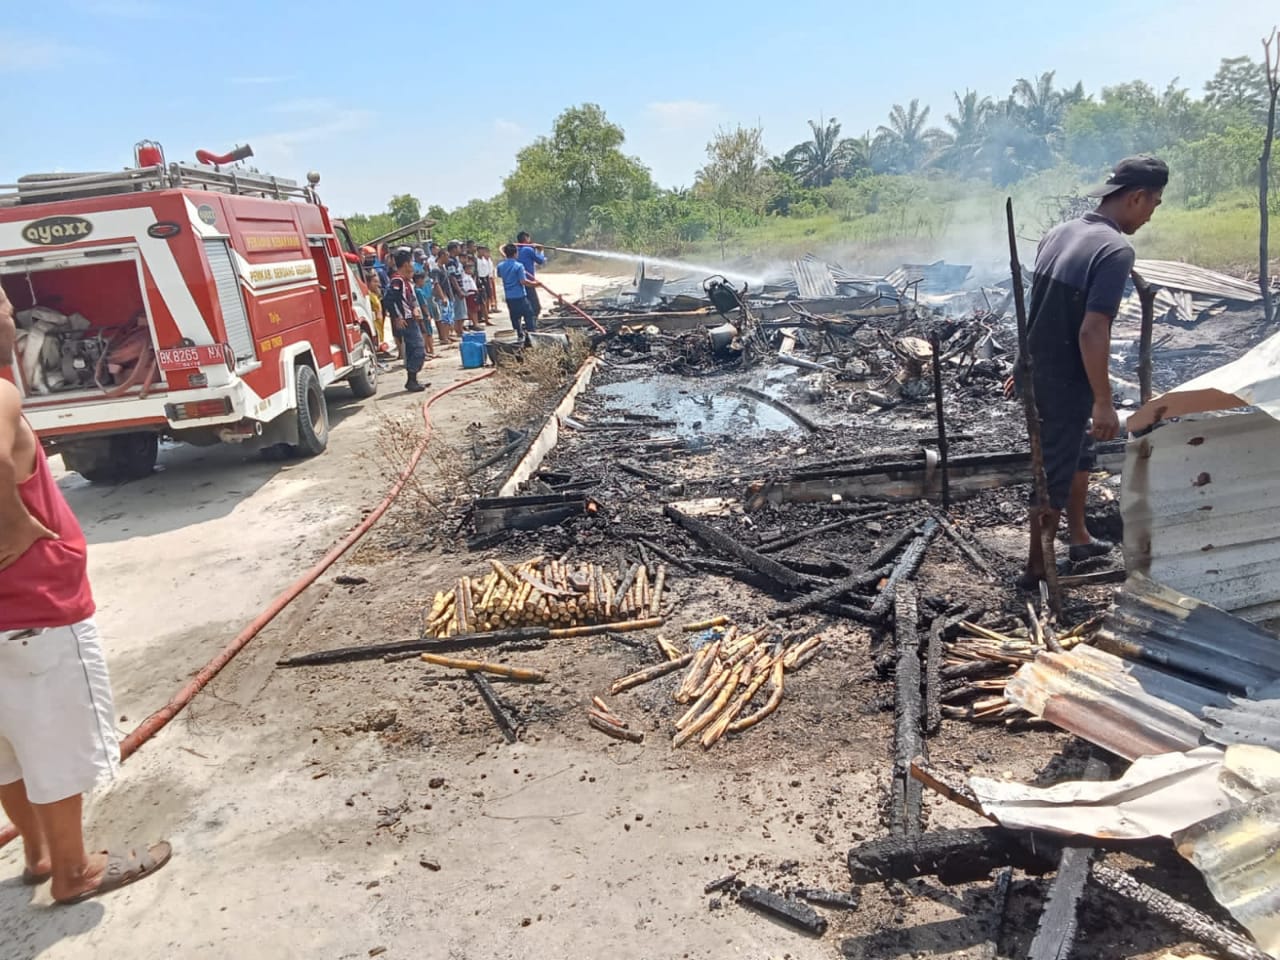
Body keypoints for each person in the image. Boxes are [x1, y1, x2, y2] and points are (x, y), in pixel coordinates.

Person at [0, 284, 171, 904]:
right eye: (4, 311)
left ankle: (39, 854)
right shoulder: (0, 392)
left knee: (10, 744)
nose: (12, 320)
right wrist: (14, 524)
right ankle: (75, 872)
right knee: (53, 741)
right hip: (34, 611)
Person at [1018, 155, 1167, 588]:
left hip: (1042, 370)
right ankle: (1036, 568)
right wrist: (1103, 401)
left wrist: (1020, 364)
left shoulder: (1059, 232)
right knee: (1054, 471)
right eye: (1154, 203)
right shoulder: (1116, 250)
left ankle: (1080, 537)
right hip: (1066, 380)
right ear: (1136, 197)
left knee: (1077, 454)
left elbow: (1036, 310)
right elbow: (1091, 331)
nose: (1153, 212)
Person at [383, 250, 427, 391]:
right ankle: (412, 379)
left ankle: (413, 379)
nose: (413, 265)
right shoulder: (397, 281)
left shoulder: (407, 281)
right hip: (406, 321)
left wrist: (415, 308)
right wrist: (397, 317)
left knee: (412, 349)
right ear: (406, 264)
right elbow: (389, 300)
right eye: (411, 262)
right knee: (418, 349)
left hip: (412, 318)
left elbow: (410, 299)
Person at [497, 242, 538, 341]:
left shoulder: (500, 266)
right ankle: (531, 336)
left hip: (509, 297)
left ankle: (519, 337)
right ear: (515, 253)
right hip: (520, 296)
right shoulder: (519, 266)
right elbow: (523, 281)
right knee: (529, 315)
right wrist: (535, 284)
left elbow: (499, 275)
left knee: (515, 317)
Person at [515, 231, 546, 318]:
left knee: (523, 303)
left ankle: (527, 321)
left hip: (518, 282)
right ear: (526, 239)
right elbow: (540, 260)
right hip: (528, 281)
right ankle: (532, 323)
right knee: (535, 306)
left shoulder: (516, 249)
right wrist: (541, 251)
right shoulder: (528, 249)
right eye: (529, 238)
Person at [443, 241, 469, 333]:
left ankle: (460, 329)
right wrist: (458, 291)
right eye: (458, 247)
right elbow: (452, 277)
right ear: (454, 249)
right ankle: (458, 331)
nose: (460, 249)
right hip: (455, 291)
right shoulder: (450, 261)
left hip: (459, 288)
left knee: (462, 311)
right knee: (458, 312)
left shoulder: (455, 260)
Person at [413, 267, 438, 360]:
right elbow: (423, 304)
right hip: (423, 315)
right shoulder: (419, 291)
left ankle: (427, 351)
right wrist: (427, 314)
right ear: (419, 280)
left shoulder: (415, 290)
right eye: (423, 280)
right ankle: (431, 351)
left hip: (420, 315)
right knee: (428, 333)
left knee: (425, 333)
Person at [366, 270, 387, 354]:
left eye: (378, 282)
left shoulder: (374, 295)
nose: (378, 284)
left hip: (379, 324)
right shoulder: (368, 295)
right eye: (375, 282)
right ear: (368, 282)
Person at [475, 245, 496, 324]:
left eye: (483, 251)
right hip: (480, 278)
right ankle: (482, 316)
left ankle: (486, 314)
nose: (482, 252)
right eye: (481, 251)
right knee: (481, 299)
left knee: (487, 297)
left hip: (486, 278)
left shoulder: (485, 260)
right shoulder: (476, 260)